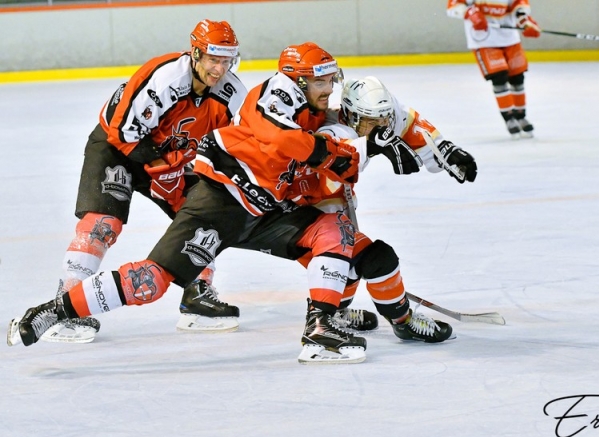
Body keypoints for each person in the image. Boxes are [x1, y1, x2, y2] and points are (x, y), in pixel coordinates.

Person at [7, 43, 451, 364]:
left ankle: (321, 329)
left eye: (331, 79)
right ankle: (54, 310)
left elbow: (389, 114)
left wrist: (436, 146)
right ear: (297, 81)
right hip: (221, 200)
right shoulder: (271, 96)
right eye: (321, 80)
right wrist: (350, 154)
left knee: (336, 233)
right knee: (153, 282)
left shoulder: (325, 117)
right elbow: (286, 142)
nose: (329, 87)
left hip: (270, 213)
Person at [41, 19, 247, 343]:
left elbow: (245, 140)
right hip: (117, 149)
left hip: (169, 161)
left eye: (226, 60)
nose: (219, 69)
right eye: (212, 59)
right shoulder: (164, 79)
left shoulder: (232, 95)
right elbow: (122, 131)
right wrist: (161, 167)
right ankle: (64, 301)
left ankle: (198, 293)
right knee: (103, 222)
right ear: (195, 53)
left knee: (207, 212)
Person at [313, 76, 478, 332]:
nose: (381, 126)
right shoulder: (332, 131)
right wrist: (371, 146)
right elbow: (334, 165)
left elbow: (407, 120)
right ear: (351, 116)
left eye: (383, 119)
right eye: (372, 121)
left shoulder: (376, 116)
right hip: (308, 210)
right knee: (371, 258)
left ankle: (336, 313)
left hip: (332, 207)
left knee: (351, 260)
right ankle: (403, 322)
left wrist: (445, 151)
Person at [446, 0, 541, 138]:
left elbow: (517, 4)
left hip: (509, 38)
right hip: (484, 39)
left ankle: (521, 116)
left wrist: (523, 19)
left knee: (517, 77)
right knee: (499, 77)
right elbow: (453, 6)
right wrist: (470, 13)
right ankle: (509, 118)